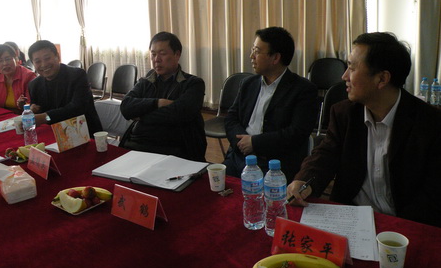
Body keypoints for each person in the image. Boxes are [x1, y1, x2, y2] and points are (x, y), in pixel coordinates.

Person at [287, 32, 441, 227]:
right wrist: (304, 181)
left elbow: (432, 194)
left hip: (404, 225)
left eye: (352, 68)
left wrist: (392, 227)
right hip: (351, 218)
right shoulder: (344, 113)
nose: (344, 76)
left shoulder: (430, 123)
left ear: (382, 79)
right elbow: (325, 155)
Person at [224, 27, 318, 181]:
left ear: (275, 58)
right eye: (252, 50)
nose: (251, 56)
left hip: (273, 165)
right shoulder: (248, 84)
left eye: (256, 51)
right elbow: (231, 118)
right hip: (239, 156)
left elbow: (296, 133)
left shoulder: (303, 90)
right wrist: (242, 143)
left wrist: (255, 143)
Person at [119, 32, 207, 162]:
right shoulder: (146, 81)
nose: (157, 59)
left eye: (162, 53)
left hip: (176, 150)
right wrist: (158, 103)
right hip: (139, 145)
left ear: (177, 55)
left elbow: (180, 113)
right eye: (153, 54)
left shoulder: (193, 83)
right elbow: (125, 106)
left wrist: (141, 116)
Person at [23, 40, 102, 137]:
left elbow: (77, 109)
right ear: (33, 63)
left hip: (83, 133)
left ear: (57, 56)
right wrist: (32, 110)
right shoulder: (34, 85)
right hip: (52, 135)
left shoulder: (77, 75)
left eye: (47, 58)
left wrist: (45, 117)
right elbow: (37, 113)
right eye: (38, 61)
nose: (43, 64)